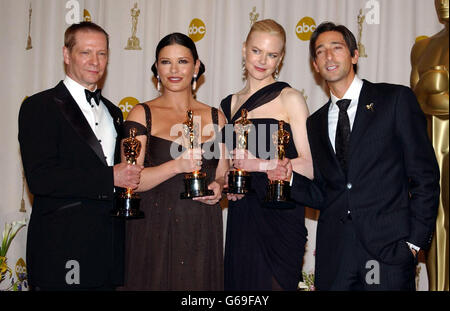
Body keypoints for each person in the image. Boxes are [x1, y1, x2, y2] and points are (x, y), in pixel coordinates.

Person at [287, 21, 440, 290]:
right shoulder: (316, 122)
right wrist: (289, 179)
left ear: (355, 55)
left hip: (388, 254)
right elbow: (326, 192)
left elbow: (425, 176)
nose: (329, 56)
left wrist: (413, 244)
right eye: (320, 52)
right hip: (336, 259)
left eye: (337, 48)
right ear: (314, 65)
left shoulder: (394, 99)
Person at [18, 22, 142, 290]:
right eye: (86, 52)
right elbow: (41, 178)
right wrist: (110, 177)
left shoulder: (113, 111)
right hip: (61, 247)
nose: (95, 62)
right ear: (66, 54)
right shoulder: (39, 106)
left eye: (102, 54)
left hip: (107, 249)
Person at [120, 33, 228, 290]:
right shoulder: (140, 113)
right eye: (166, 62)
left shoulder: (217, 118)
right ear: (157, 68)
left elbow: (224, 172)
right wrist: (177, 166)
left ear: (196, 66)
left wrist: (219, 188)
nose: (174, 70)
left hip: (201, 229)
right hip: (153, 231)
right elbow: (130, 181)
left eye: (182, 61)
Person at [220, 19, 313, 291]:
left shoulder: (290, 98)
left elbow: (308, 166)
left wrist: (258, 164)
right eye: (256, 51)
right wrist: (227, 184)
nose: (263, 60)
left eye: (272, 54)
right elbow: (227, 166)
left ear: (281, 58)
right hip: (243, 216)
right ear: (243, 49)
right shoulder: (229, 104)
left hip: (281, 216)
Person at [410, 0, 449, 291]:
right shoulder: (422, 48)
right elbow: (413, 104)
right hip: (427, 148)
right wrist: (431, 86)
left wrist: (434, 89)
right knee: (431, 222)